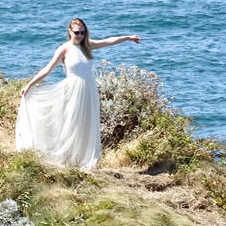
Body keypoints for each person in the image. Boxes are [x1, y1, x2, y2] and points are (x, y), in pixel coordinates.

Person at [15, 18, 141, 169]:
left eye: (83, 32)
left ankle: (82, 160)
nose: (80, 35)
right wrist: (30, 84)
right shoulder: (64, 49)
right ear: (70, 32)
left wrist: (128, 38)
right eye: (77, 33)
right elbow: (48, 69)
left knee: (86, 124)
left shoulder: (87, 45)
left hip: (89, 90)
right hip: (72, 91)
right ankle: (66, 159)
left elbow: (109, 41)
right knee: (71, 124)